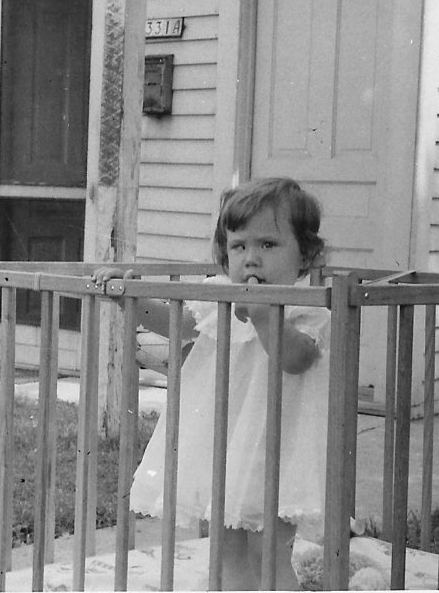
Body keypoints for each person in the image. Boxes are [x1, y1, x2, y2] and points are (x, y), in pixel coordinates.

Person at [92, 177, 330, 590]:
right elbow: (178, 323)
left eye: (268, 245)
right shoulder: (218, 294)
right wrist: (131, 301)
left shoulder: (307, 306)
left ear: (305, 255)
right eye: (239, 247)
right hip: (222, 444)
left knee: (268, 555)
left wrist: (261, 314)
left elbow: (296, 359)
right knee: (225, 550)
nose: (251, 259)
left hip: (274, 450)